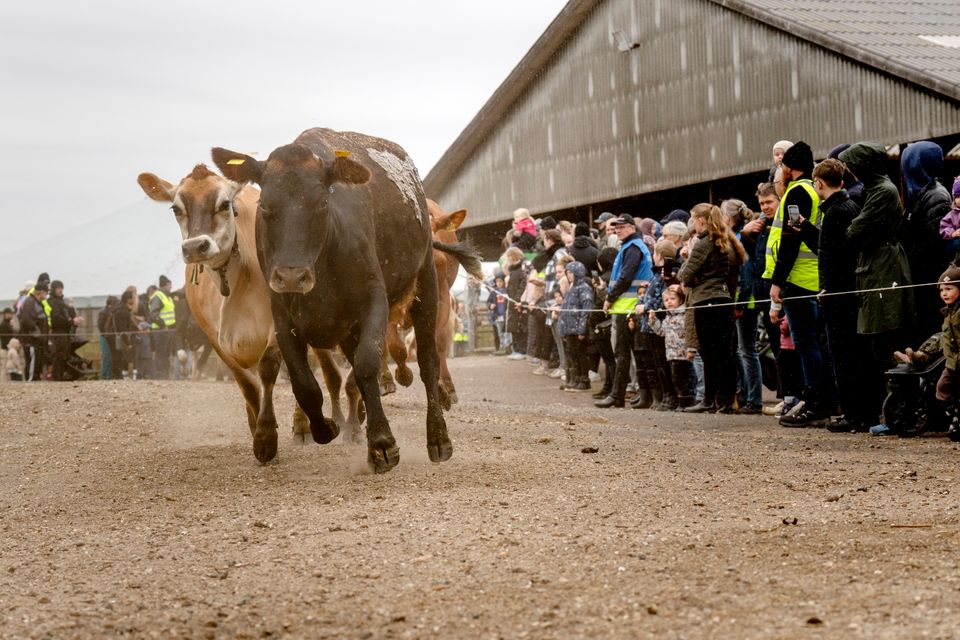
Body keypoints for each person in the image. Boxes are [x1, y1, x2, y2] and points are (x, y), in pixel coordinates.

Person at [839, 141, 916, 428]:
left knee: (886, 339)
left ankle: (896, 412)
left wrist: (853, 227)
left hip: (883, 271)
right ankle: (891, 411)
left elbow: (855, 229)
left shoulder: (883, 191)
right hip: (874, 268)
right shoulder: (877, 189)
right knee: (878, 342)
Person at [764, 141, 830, 427]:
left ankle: (815, 399)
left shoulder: (796, 193)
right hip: (808, 274)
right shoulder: (809, 191)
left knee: (805, 343)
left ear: (789, 167)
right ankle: (816, 395)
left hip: (799, 278)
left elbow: (792, 238)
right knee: (809, 342)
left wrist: (777, 281)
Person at [811, 159, 873, 432]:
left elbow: (832, 257)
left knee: (843, 354)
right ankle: (858, 410)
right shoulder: (850, 207)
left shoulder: (835, 212)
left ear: (819, 184)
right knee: (852, 353)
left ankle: (853, 412)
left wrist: (826, 289)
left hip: (838, 294)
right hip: (848, 290)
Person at [678, 204, 746, 413]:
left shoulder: (704, 242)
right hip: (724, 300)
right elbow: (733, 274)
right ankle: (726, 400)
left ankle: (708, 399)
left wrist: (688, 263)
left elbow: (685, 275)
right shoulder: (728, 241)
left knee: (708, 353)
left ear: (700, 220)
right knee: (725, 353)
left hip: (705, 301)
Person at [595, 214, 653, 408]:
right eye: (616, 227)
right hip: (630, 306)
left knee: (623, 353)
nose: (618, 230)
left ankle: (618, 395)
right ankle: (642, 396)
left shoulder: (632, 247)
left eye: (621, 227)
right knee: (635, 352)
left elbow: (626, 277)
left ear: (631, 228)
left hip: (627, 306)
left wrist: (609, 298)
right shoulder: (633, 246)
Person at [901, 141, 953, 342]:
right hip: (921, 278)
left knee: (930, 329)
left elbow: (931, 243)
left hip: (929, 279)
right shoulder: (922, 194)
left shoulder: (936, 196)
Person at [722, 198, 763, 414]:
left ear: (728, 218)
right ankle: (747, 395)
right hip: (743, 301)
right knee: (743, 350)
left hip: (746, 302)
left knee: (748, 351)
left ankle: (754, 399)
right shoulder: (738, 237)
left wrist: (739, 303)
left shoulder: (739, 240)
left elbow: (745, 276)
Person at [649, 284, 694, 409]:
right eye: (666, 300)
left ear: (680, 299)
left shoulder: (685, 314)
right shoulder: (668, 317)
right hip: (672, 354)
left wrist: (691, 349)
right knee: (676, 379)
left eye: (672, 299)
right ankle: (682, 402)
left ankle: (687, 402)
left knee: (685, 379)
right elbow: (661, 332)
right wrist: (653, 321)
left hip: (684, 354)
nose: (669, 302)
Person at [557, 261, 594, 391]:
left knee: (581, 354)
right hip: (569, 329)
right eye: (567, 273)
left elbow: (586, 310)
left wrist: (582, 329)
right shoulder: (570, 289)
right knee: (572, 354)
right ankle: (575, 378)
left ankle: (584, 379)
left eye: (571, 273)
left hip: (578, 329)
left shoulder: (584, 288)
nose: (569, 275)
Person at [935, 264, 960, 441]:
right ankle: (956, 418)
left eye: (949, 289)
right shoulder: (948, 313)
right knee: (942, 389)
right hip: (952, 364)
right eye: (942, 290)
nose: (945, 293)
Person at [19, 281, 49, 382]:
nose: (46, 295)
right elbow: (26, 319)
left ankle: (35, 380)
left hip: (38, 340)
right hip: (31, 340)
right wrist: (36, 331)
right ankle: (30, 382)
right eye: (46, 292)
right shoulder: (29, 302)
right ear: (40, 292)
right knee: (32, 363)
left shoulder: (38, 303)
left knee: (37, 363)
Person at [149, 275, 178, 379]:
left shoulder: (167, 296)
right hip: (160, 331)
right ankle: (160, 376)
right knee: (161, 354)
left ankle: (165, 375)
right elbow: (153, 314)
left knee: (165, 354)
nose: (171, 288)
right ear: (165, 285)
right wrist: (163, 325)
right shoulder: (158, 297)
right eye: (170, 285)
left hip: (167, 331)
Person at [504, 248, 529, 360]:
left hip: (517, 302)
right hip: (512, 301)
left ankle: (521, 350)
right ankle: (516, 349)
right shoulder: (513, 270)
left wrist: (517, 299)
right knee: (514, 327)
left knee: (519, 326)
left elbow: (522, 286)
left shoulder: (522, 269)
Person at [938, 177, 960, 256]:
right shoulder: (952, 214)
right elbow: (944, 226)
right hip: (956, 241)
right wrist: (953, 233)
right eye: (958, 196)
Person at [97, 296, 117, 379]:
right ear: (110, 304)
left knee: (110, 357)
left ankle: (109, 375)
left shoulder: (109, 312)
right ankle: (105, 376)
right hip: (105, 337)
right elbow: (100, 325)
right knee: (106, 357)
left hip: (109, 337)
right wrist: (105, 334)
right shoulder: (104, 312)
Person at [0, 307, 14, 382]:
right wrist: (9, 347)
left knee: (8, 368)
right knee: (4, 368)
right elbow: (5, 338)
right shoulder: (3, 324)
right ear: (5, 314)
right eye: (9, 314)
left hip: (8, 349)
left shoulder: (8, 323)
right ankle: (3, 383)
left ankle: (7, 382)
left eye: (11, 314)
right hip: (5, 349)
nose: (10, 315)